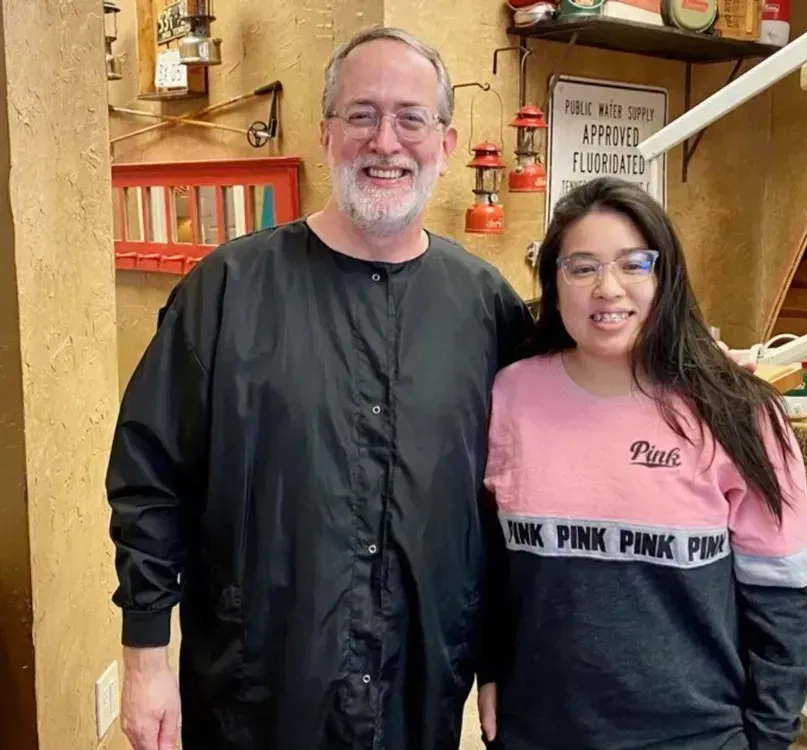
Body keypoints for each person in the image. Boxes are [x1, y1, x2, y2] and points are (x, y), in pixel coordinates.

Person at [105, 26, 535, 750]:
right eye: (362, 115)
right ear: (328, 132)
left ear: (447, 143)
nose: (385, 141)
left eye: (410, 118)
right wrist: (145, 652)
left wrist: (499, 658)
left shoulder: (486, 308)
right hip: (258, 691)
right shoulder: (227, 291)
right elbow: (150, 479)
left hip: (418, 690)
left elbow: (506, 504)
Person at [476, 177, 807, 750]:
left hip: (695, 735)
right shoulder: (511, 395)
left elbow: (787, 596)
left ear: (666, 278)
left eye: (633, 264)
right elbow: (490, 561)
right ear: (554, 285)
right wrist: (490, 666)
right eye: (581, 267)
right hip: (536, 727)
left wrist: (767, 736)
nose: (607, 288)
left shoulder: (738, 413)